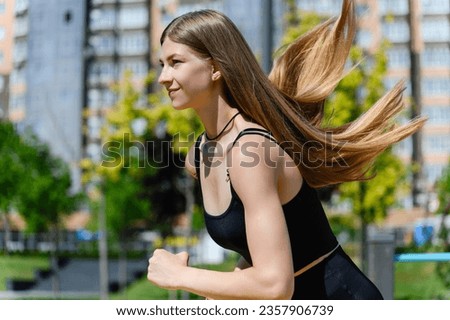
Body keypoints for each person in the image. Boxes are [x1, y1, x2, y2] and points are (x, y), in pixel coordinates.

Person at [147, 0, 426, 299]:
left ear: (215, 68)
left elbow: (275, 284)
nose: (164, 77)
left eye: (176, 63)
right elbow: (256, 247)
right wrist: (219, 291)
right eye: (163, 64)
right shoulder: (201, 154)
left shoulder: (248, 152)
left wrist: (182, 276)